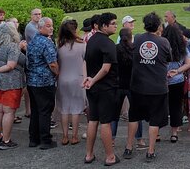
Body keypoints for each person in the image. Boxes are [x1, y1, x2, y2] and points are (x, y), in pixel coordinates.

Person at [124, 12, 171, 162]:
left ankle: (129, 147)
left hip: (138, 85)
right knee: (155, 120)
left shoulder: (137, 38)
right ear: (158, 26)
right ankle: (150, 151)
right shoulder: (164, 42)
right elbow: (168, 59)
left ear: (144, 25)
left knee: (134, 117)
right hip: (157, 86)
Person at [83, 13, 119, 165]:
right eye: (113, 23)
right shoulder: (108, 43)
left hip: (92, 87)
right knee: (105, 122)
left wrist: (87, 79)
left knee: (93, 120)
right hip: (105, 88)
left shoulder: (91, 39)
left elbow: (84, 60)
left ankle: (89, 155)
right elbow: (105, 69)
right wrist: (92, 80)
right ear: (104, 26)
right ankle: (110, 156)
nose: (115, 26)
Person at [0, 22, 27, 150]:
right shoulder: (12, 46)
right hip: (10, 82)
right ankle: (6, 140)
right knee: (9, 112)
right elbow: (11, 65)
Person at [26, 17, 59, 150]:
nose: (51, 28)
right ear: (40, 28)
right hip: (44, 82)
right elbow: (52, 63)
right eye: (48, 26)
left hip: (32, 81)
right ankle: (45, 140)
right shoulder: (46, 42)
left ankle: (33, 139)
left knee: (35, 110)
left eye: (51, 26)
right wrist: (57, 73)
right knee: (45, 111)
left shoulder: (33, 41)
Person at [111, 27, 145, 149]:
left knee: (114, 114)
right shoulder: (135, 50)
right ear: (131, 37)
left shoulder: (115, 49)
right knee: (136, 113)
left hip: (118, 84)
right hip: (132, 84)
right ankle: (139, 139)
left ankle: (112, 139)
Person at [57, 18, 86, 145]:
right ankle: (74, 136)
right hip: (77, 79)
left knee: (64, 109)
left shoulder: (59, 46)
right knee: (76, 109)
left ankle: (64, 136)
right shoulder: (82, 45)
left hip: (62, 79)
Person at [164, 24, 190, 144]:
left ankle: (157, 133)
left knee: (161, 106)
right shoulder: (183, 47)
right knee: (176, 106)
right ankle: (174, 133)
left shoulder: (162, 45)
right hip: (177, 79)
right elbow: (188, 63)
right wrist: (177, 71)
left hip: (162, 80)